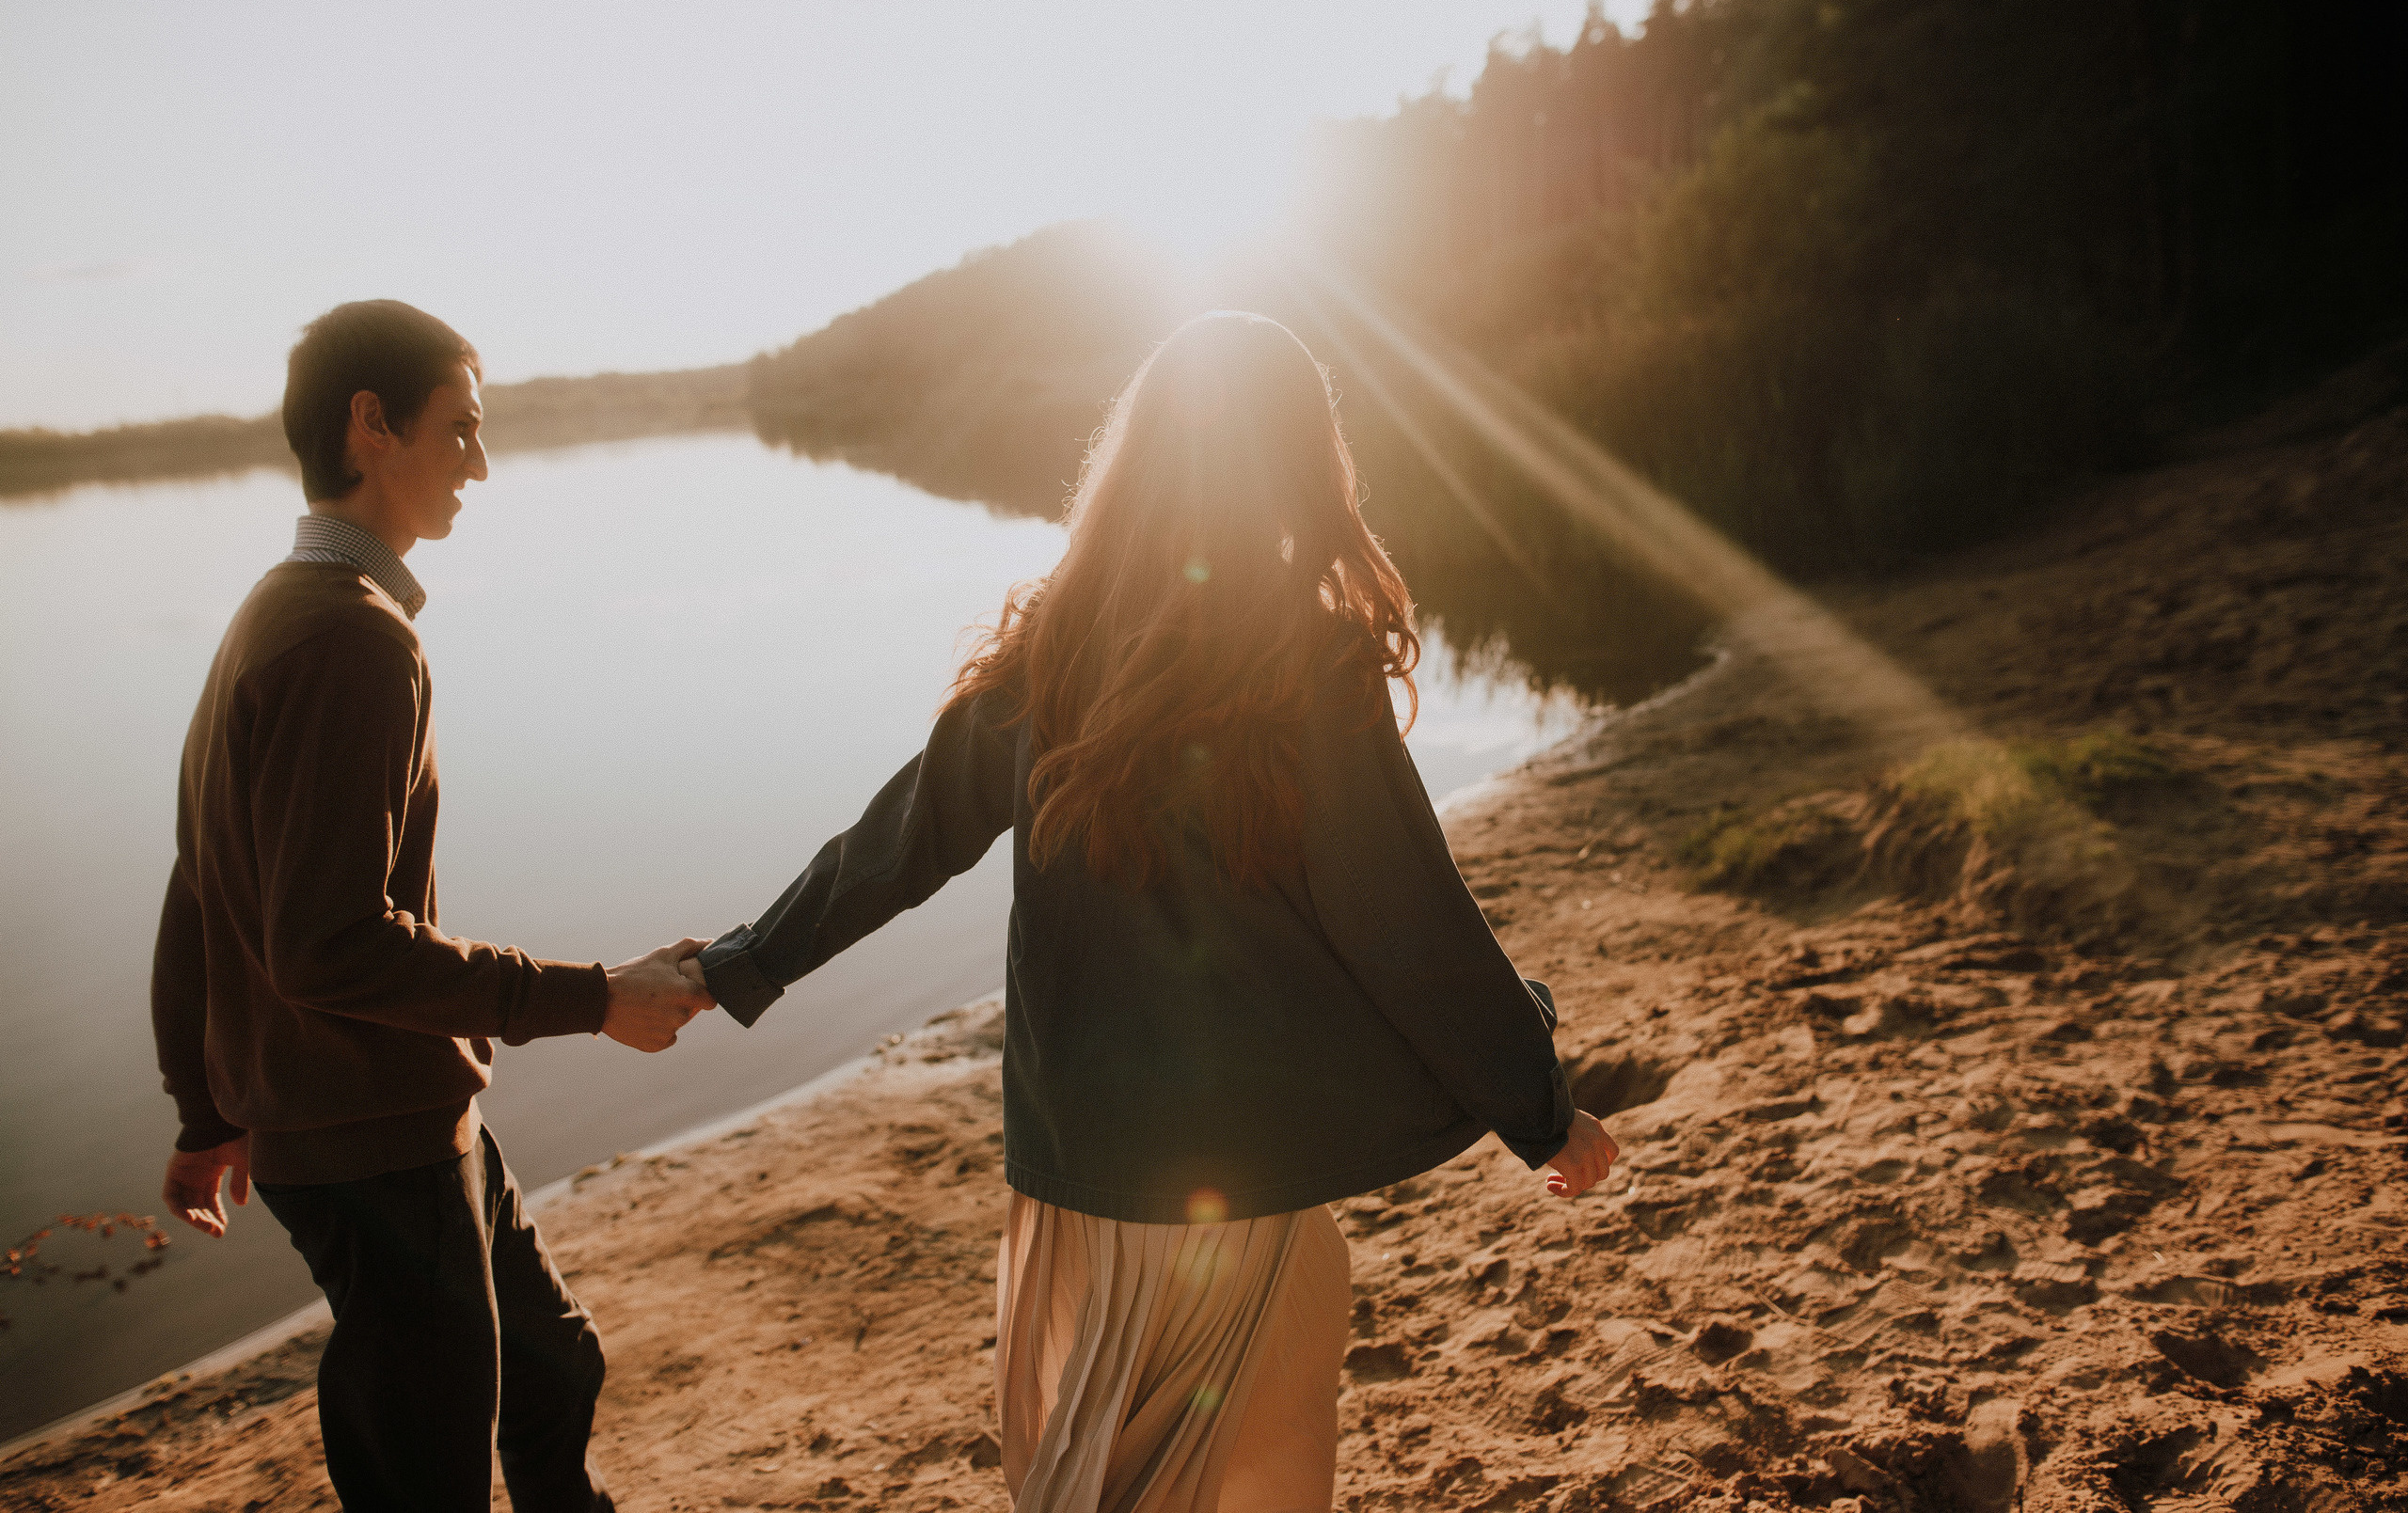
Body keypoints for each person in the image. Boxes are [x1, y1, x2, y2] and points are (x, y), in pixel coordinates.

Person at [693, 311, 1619, 1511]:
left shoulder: (1050, 656)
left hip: (1072, 1185)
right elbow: (1409, 929)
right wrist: (1542, 1111)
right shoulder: (1304, 664)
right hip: (1236, 1195)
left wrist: (742, 965)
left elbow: (897, 845)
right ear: (1299, 462)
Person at [150, 299, 716, 1513]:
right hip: (375, 1138)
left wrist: (205, 1111)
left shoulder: (274, 609)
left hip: (396, 1111)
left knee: (550, 1361)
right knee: (427, 1462)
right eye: (459, 429)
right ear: (372, 425)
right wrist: (598, 997)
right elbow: (325, 944)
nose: (481, 462)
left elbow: (202, 883)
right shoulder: (350, 644)